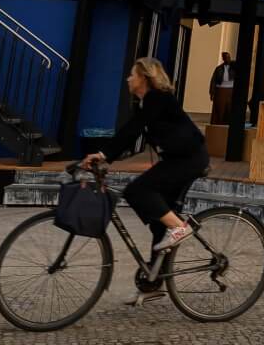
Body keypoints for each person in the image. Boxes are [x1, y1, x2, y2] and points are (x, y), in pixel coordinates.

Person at [84, 58, 210, 262]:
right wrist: (107, 156)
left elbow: (132, 130)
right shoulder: (149, 102)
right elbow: (132, 132)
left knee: (137, 190)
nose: (128, 79)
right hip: (179, 159)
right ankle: (154, 279)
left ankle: (180, 228)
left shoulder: (158, 98)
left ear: (144, 77)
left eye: (132, 75)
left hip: (189, 159)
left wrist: (103, 155)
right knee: (159, 222)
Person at [207, 51, 234, 126]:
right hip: (220, 90)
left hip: (230, 90)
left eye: (229, 57)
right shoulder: (219, 68)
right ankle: (218, 124)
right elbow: (213, 80)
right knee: (220, 108)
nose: (228, 59)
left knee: (229, 108)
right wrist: (212, 93)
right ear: (223, 59)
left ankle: (228, 124)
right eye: (226, 58)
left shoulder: (233, 67)